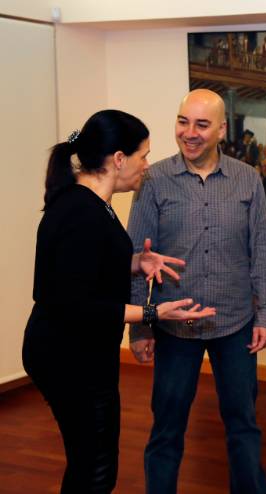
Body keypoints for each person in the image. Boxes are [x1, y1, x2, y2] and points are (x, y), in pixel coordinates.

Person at [22, 110, 215, 493]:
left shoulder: (94, 204)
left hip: (83, 352)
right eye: (143, 155)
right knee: (94, 468)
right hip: (67, 355)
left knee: (93, 462)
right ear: (119, 159)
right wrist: (153, 312)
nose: (147, 165)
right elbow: (76, 303)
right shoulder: (80, 212)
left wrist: (136, 262)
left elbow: (87, 266)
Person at [128, 89, 266, 494]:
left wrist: (265, 315)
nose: (189, 133)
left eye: (201, 124)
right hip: (175, 327)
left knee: (243, 425)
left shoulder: (247, 179)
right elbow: (137, 258)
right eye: (183, 122)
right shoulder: (154, 179)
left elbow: (263, 251)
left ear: (222, 130)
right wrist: (140, 327)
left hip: (235, 325)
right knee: (167, 428)